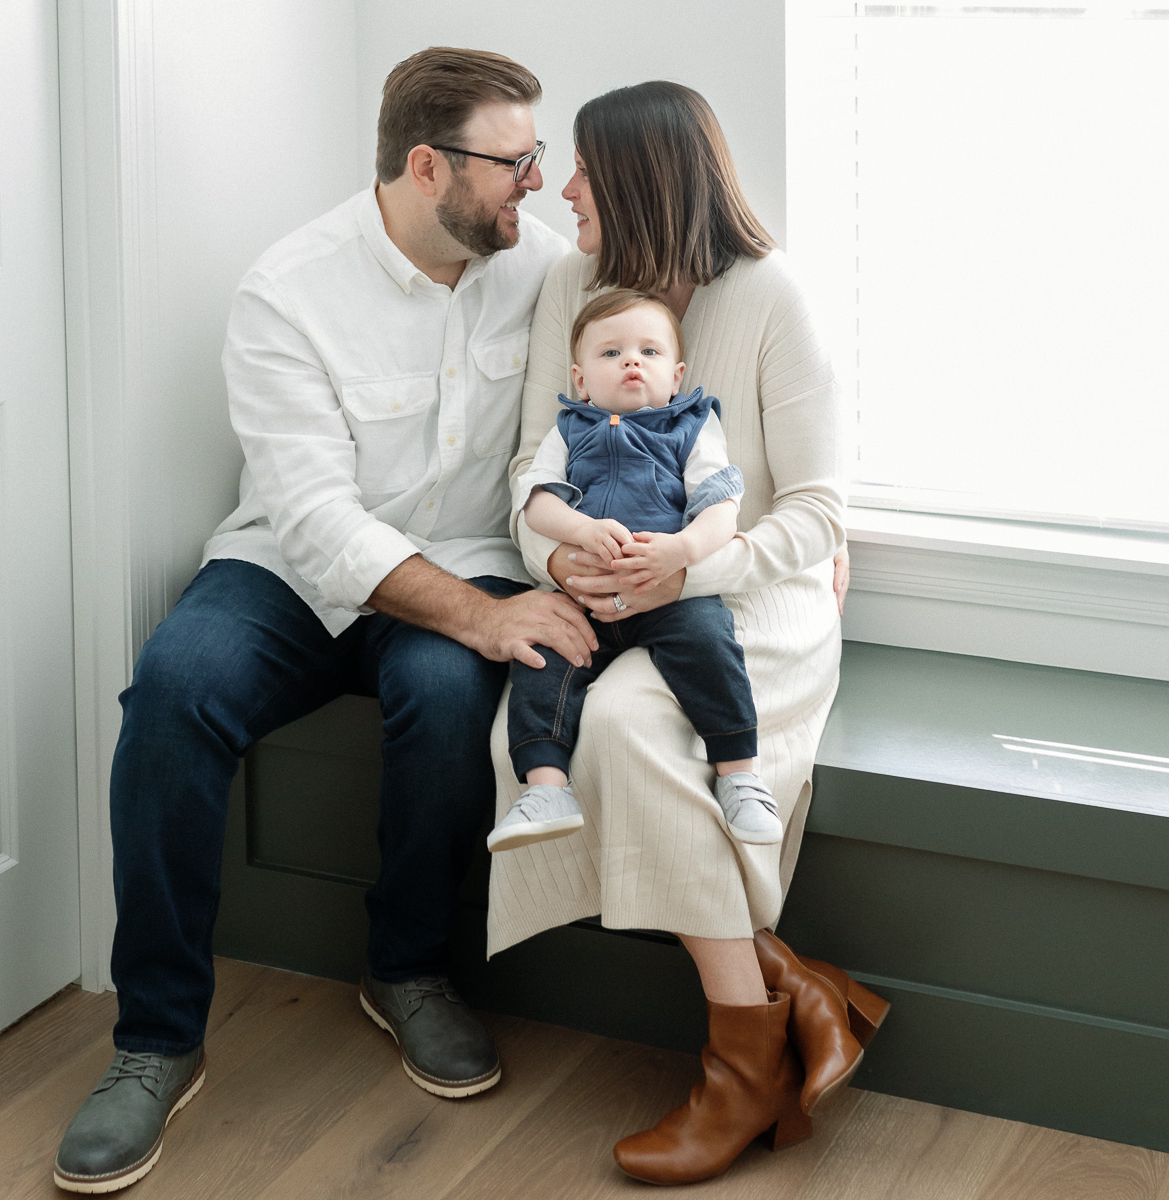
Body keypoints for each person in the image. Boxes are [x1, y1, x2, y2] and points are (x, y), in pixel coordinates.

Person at [51, 47, 581, 1194]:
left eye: (538, 156)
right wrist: (479, 622)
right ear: (428, 166)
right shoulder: (288, 289)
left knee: (446, 696)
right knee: (173, 695)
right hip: (291, 570)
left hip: (469, 557)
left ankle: (407, 972)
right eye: (515, 159)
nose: (537, 179)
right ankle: (154, 1039)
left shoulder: (541, 267)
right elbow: (316, 517)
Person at [485, 81, 888, 1186]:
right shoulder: (574, 282)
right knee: (544, 726)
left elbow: (816, 513)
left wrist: (695, 563)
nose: (564, 189)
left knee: (622, 727)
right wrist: (556, 558)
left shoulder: (771, 299)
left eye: (584, 171)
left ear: (644, 185)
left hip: (749, 597)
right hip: (612, 586)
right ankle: (783, 986)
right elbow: (535, 466)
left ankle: (743, 1064)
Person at [488, 288, 780, 854]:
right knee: (542, 656)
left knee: (708, 641)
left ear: (676, 374)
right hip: (583, 592)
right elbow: (537, 501)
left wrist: (681, 551)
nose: (631, 361)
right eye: (611, 353)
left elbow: (722, 508)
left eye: (648, 351)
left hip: (668, 591)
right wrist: (579, 531)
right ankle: (546, 788)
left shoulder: (692, 426)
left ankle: (739, 773)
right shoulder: (568, 428)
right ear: (579, 379)